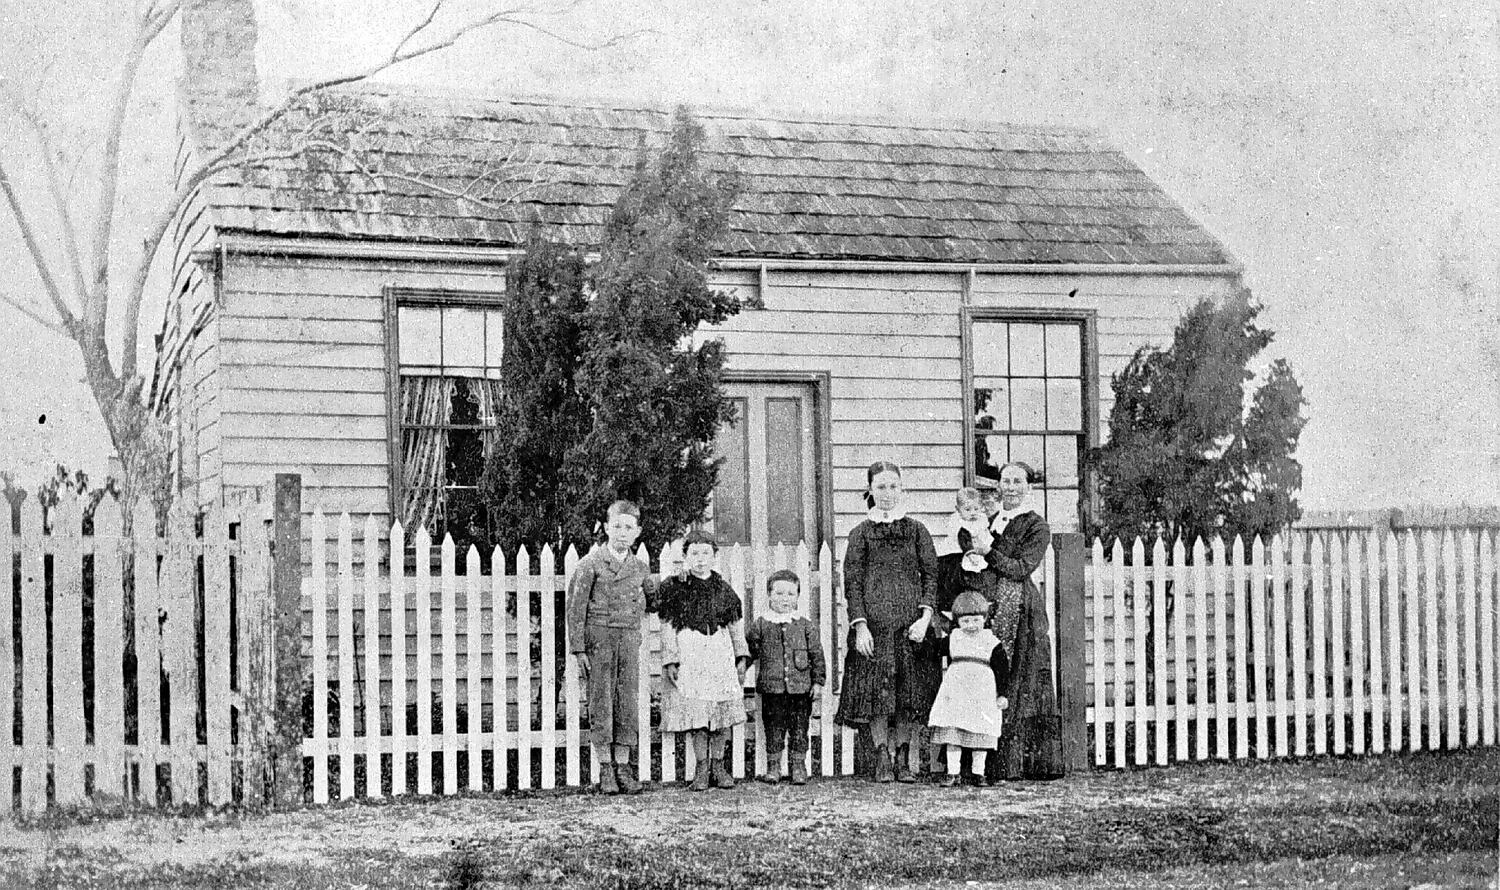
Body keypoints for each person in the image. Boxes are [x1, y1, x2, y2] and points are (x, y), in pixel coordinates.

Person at [834, 460, 939, 783]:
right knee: (878, 696)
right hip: (876, 628)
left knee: (909, 694)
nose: (888, 493)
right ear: (870, 490)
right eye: (881, 487)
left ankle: (905, 756)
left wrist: (925, 617)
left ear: (902, 489)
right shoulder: (860, 533)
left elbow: (931, 576)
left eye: (893, 486)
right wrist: (860, 626)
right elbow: (851, 582)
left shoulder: (917, 530)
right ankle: (882, 756)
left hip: (911, 627)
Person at [973, 462, 1065, 781]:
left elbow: (1021, 568)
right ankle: (984, 764)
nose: (1010, 487)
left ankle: (1019, 766)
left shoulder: (1037, 526)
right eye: (1005, 481)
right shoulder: (991, 520)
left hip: (1022, 614)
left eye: (1017, 481)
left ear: (1028, 487)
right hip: (991, 607)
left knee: (1021, 682)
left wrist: (988, 553)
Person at [566, 499, 659, 794]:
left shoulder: (641, 568)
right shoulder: (590, 564)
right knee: (602, 702)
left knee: (626, 702)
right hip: (599, 642)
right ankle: (605, 768)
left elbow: (652, 604)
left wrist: (660, 587)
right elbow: (576, 608)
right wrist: (579, 649)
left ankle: (623, 767)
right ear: (606, 528)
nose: (622, 532)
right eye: (616, 526)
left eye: (628, 527)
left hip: (628, 640)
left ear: (637, 533)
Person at [657, 530, 750, 791]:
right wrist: (671, 660)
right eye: (694, 553)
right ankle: (701, 768)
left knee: (721, 715)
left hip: (719, 654)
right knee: (698, 716)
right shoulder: (674, 588)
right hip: (691, 655)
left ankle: (719, 767)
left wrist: (741, 657)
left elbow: (735, 627)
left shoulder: (724, 589)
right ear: (685, 556)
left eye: (705, 553)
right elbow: (666, 627)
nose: (700, 559)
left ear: (714, 556)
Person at [746, 569, 827, 785]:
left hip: (800, 690)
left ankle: (798, 766)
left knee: (800, 728)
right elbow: (748, 651)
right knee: (774, 728)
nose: (785, 599)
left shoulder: (805, 624)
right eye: (779, 594)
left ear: (798, 597)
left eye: (791, 594)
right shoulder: (761, 624)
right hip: (772, 690)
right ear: (769, 596)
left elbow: (817, 655)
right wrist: (739, 669)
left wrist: (818, 681)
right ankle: (773, 767)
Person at [927, 590, 1010, 787]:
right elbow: (933, 651)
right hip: (956, 692)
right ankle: (953, 772)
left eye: (975, 620)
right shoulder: (954, 638)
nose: (971, 626)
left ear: (984, 618)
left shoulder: (991, 642)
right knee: (953, 731)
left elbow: (1002, 670)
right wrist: (921, 641)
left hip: (982, 693)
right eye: (965, 622)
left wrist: (1002, 694)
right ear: (957, 622)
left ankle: (978, 773)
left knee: (979, 733)